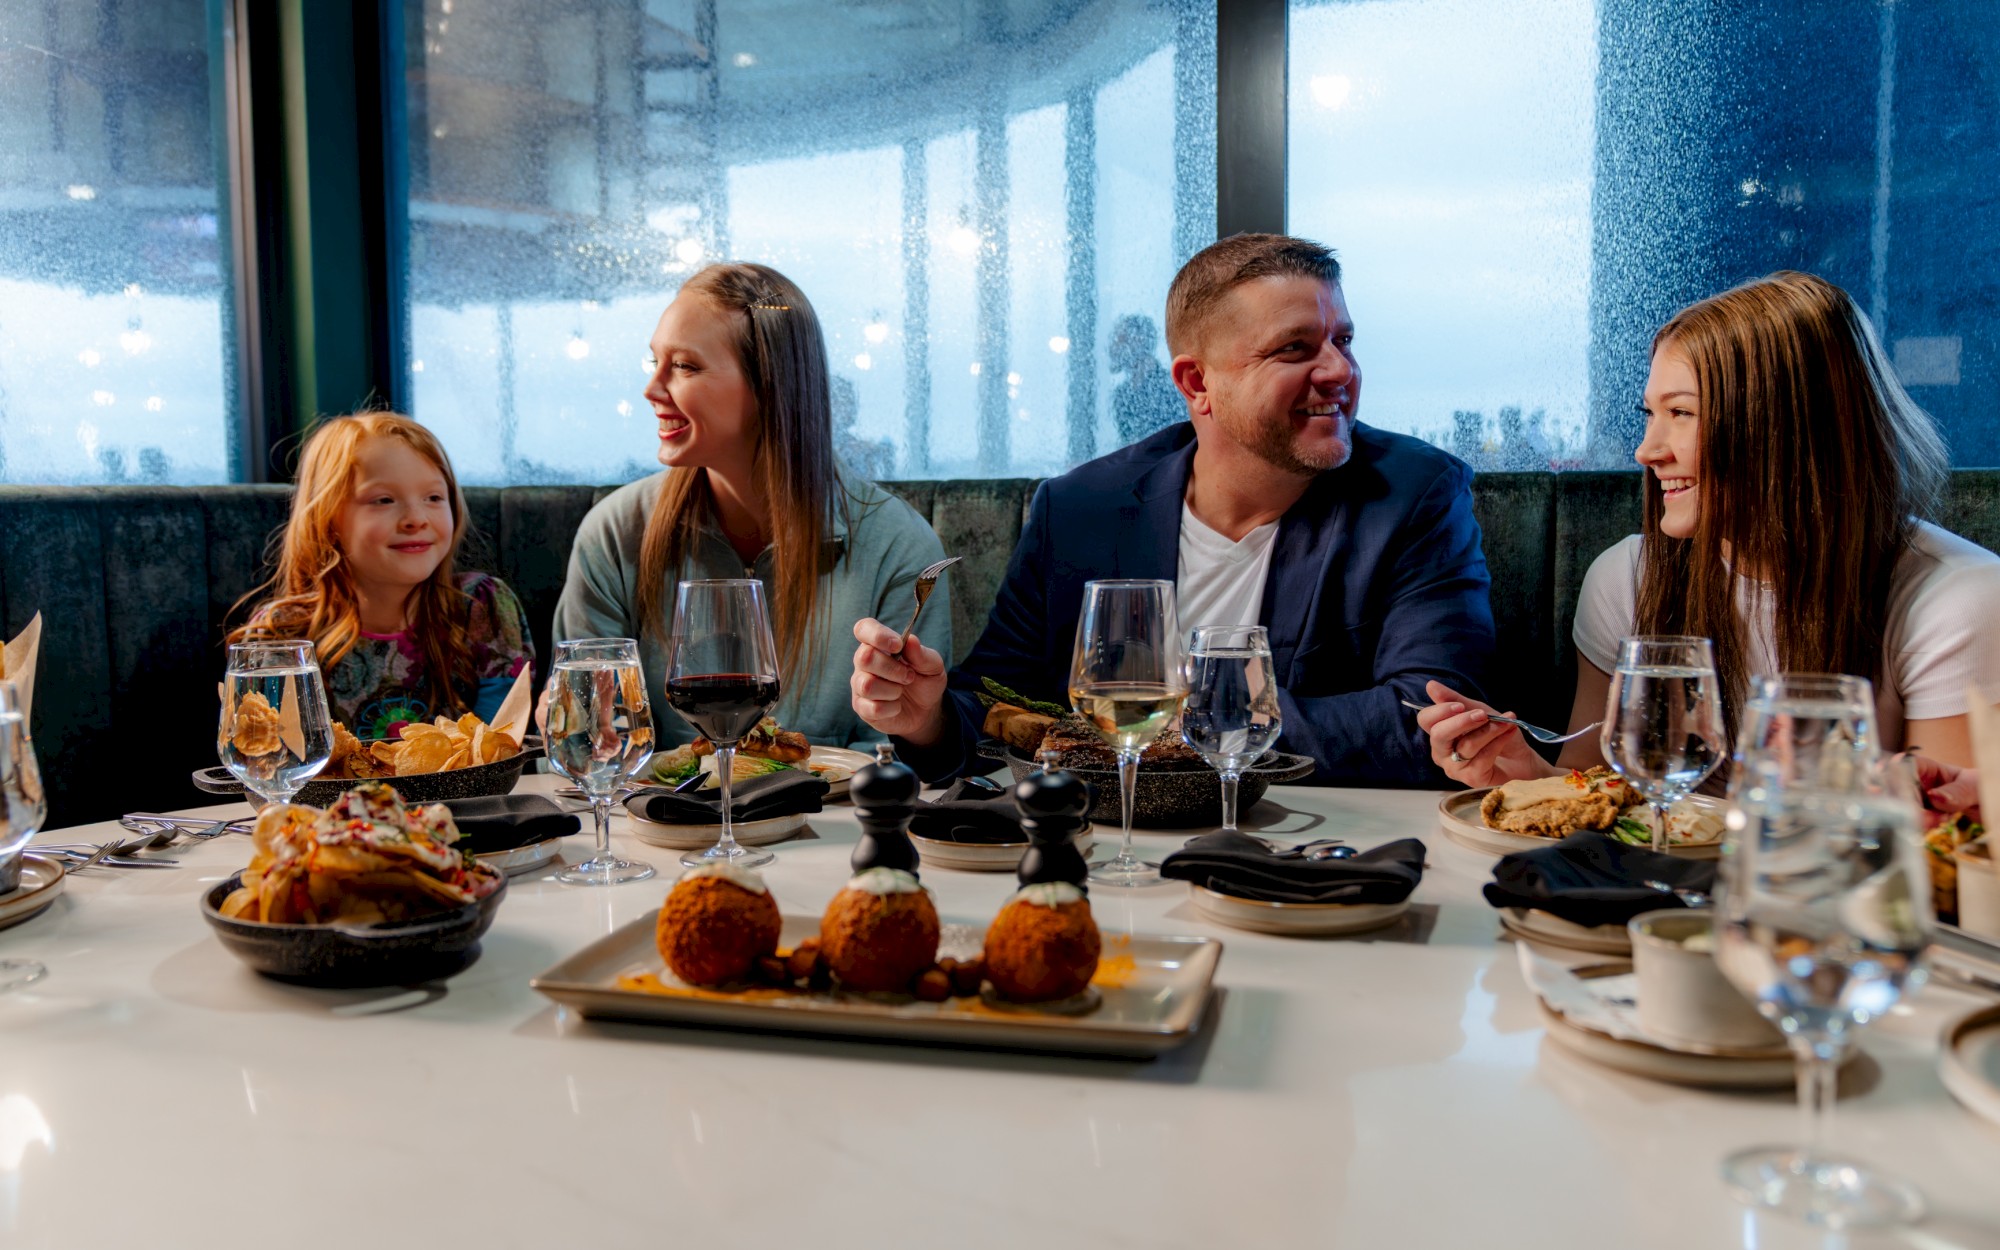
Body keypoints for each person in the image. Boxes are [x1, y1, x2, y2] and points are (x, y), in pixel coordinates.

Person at [849, 233, 1496, 785]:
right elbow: (993, 703)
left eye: (1343, 341)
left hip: (1315, 852)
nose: (1339, 370)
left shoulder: (1416, 494)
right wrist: (926, 718)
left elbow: (1434, 719)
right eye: (1295, 349)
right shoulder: (1080, 510)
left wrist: (1185, 717)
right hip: (1108, 851)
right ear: (1196, 382)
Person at [1423, 270, 2000, 783]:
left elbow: (1946, 849)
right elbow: (1600, 793)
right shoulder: (1628, 576)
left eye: (1682, 413)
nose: (1647, 450)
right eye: (1650, 414)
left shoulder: (1959, 600)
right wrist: (1525, 776)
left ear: (1786, 429)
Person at [554, 262, 949, 748]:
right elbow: (587, 740)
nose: (652, 389)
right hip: (662, 821)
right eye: (654, 361)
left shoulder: (898, 547)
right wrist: (581, 725)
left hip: (833, 823)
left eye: (683, 366)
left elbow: (900, 751)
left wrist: (923, 725)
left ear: (770, 387)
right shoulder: (614, 534)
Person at [230, 411, 531, 738]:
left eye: (433, 497)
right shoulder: (279, 635)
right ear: (327, 519)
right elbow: (271, 763)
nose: (416, 518)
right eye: (384, 500)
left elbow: (495, 746)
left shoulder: (483, 606)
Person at [1108, 313, 1187, 445]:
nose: (1112, 348)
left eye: (1119, 339)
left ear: (1138, 341)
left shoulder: (1172, 387)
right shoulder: (1121, 395)